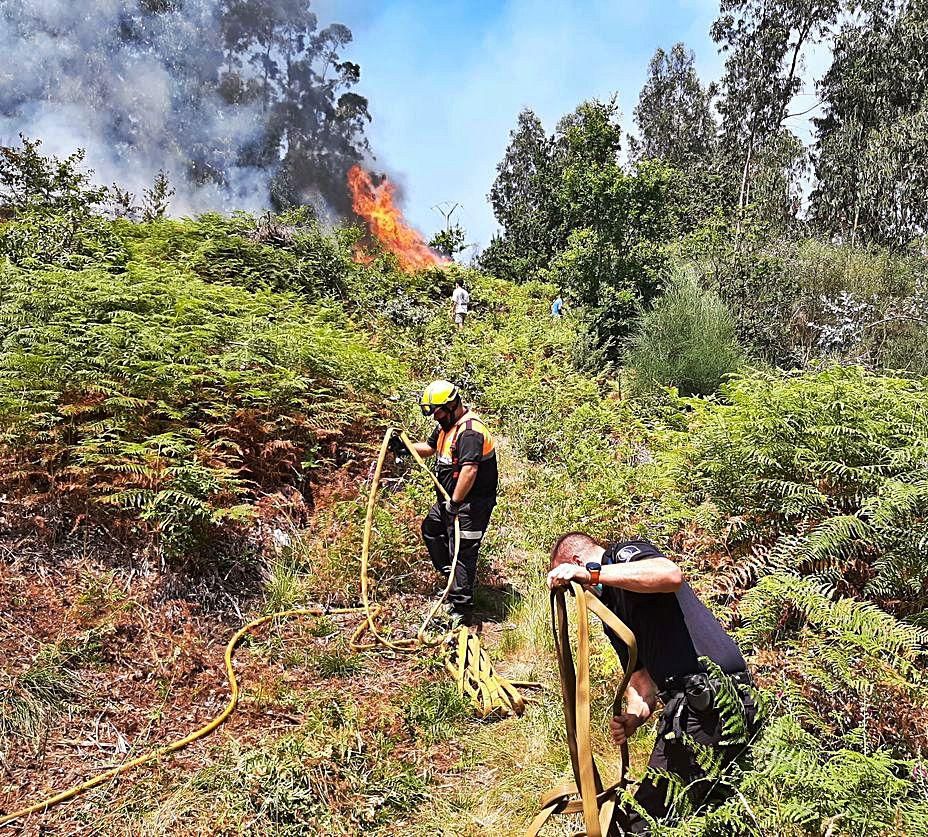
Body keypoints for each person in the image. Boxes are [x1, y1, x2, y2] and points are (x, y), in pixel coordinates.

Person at [546, 532, 758, 834]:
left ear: (577, 563)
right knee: (715, 815)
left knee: (643, 822)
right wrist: (635, 716)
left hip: (710, 701)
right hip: (701, 707)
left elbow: (669, 574)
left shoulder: (621, 556)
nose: (575, 592)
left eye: (571, 584)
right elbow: (643, 682)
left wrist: (592, 573)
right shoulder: (613, 615)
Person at [388, 380, 498, 619]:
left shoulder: (469, 432)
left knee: (463, 551)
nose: (435, 417)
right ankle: (452, 578)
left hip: (470, 505)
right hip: (449, 502)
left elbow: (469, 471)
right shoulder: (446, 426)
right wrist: (404, 448)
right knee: (431, 529)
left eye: (438, 411)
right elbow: (429, 448)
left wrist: (455, 504)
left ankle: (461, 609)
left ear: (452, 405)